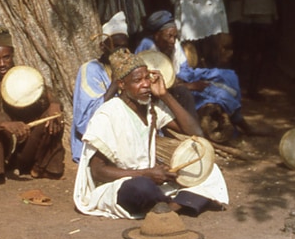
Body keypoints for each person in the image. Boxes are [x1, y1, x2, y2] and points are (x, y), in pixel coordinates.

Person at [73, 48, 228, 219]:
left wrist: (165, 95)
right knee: (141, 188)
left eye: (147, 77)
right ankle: (178, 203)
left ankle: (167, 205)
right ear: (122, 85)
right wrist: (146, 174)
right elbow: (98, 172)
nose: (146, 84)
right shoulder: (107, 114)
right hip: (120, 184)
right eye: (138, 80)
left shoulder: (151, 108)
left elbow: (195, 132)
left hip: (153, 179)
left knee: (208, 168)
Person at [0, 25, 64, 188]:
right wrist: (4, 126)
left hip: (23, 148)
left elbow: (47, 92)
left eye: (6, 57)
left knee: (53, 117)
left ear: (13, 53)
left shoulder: (24, 76)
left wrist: (55, 105)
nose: (2, 63)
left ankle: (41, 167)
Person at [136, 9, 262, 141]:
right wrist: (188, 86)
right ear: (157, 35)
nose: (173, 41)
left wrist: (188, 80)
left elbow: (183, 69)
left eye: (175, 36)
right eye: (169, 36)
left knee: (228, 76)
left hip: (183, 77)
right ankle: (233, 127)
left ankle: (240, 122)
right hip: (168, 91)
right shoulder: (147, 49)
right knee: (211, 94)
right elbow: (152, 84)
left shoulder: (173, 44)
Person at [70, 13, 129, 162]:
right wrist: (115, 83)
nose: (121, 52)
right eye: (116, 46)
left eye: (125, 47)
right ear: (103, 46)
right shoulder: (90, 70)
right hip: (99, 141)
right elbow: (86, 118)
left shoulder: (130, 68)